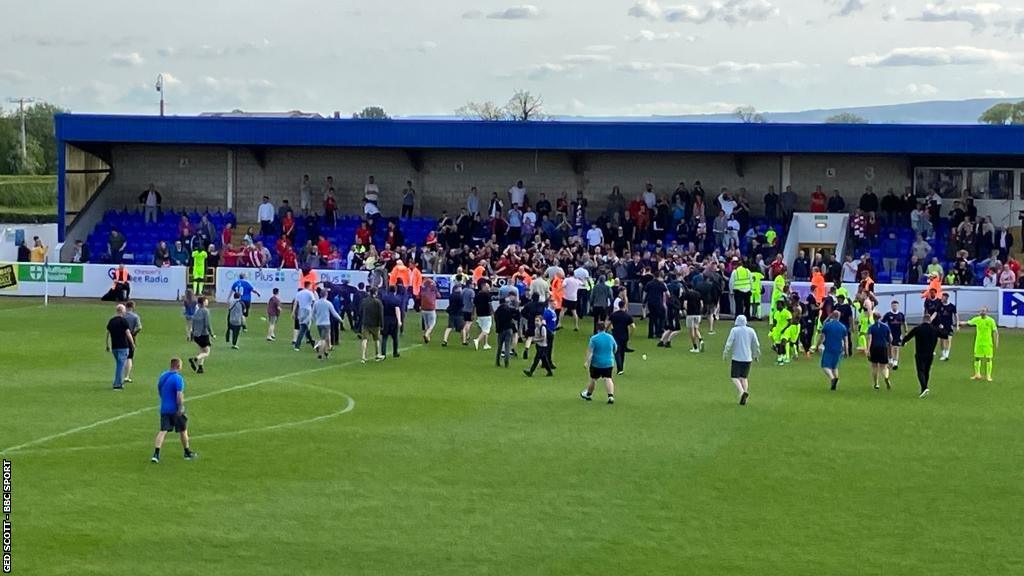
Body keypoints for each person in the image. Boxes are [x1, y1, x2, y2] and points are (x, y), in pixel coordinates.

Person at [151, 358, 196, 463]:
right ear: (178, 366)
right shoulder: (178, 378)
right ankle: (187, 452)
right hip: (175, 409)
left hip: (164, 408)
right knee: (183, 430)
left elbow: (159, 389)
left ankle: (156, 454)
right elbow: (179, 395)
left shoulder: (163, 376)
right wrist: (180, 407)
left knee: (163, 431)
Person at [722, 315, 760, 405]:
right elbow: (756, 344)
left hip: (737, 357)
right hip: (748, 358)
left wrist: (725, 352)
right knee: (744, 377)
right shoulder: (751, 330)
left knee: (734, 377)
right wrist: (756, 354)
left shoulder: (734, 330)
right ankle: (745, 394)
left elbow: (729, 342)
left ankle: (742, 391)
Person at [902, 315, 940, 398]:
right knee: (927, 371)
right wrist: (941, 327)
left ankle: (924, 387)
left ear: (923, 320)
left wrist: (903, 342)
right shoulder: (934, 329)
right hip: (930, 353)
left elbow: (908, 336)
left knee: (920, 371)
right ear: (930, 320)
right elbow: (945, 335)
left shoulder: (918, 328)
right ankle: (924, 388)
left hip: (920, 353)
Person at [581, 322, 618, 405]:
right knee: (608, 378)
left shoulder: (594, 338)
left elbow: (590, 351)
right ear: (605, 328)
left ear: (597, 328)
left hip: (596, 363)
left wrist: (587, 362)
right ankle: (610, 396)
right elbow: (615, 349)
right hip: (608, 362)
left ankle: (588, 394)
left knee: (593, 379)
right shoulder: (610, 337)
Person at [959, 307, 999, 382]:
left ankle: (988, 376)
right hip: (978, 342)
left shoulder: (990, 320)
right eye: (981, 311)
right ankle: (977, 374)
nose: (982, 312)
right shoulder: (977, 319)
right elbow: (968, 322)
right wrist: (960, 323)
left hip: (987, 343)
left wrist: (996, 341)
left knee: (988, 358)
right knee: (977, 357)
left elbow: (995, 331)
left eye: (983, 311)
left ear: (987, 312)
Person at [105, 304, 136, 390]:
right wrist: (132, 344)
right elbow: (128, 333)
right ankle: (117, 384)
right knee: (120, 365)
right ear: (122, 311)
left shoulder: (111, 321)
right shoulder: (123, 321)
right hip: (123, 346)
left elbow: (107, 334)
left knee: (119, 364)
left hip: (114, 347)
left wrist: (107, 345)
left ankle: (118, 382)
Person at [817, 311, 848, 391]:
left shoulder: (827, 326)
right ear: (839, 316)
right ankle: (835, 380)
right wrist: (846, 351)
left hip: (829, 347)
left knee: (825, 365)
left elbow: (822, 337)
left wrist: (817, 345)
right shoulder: (843, 327)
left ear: (832, 316)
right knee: (835, 366)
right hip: (838, 349)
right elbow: (845, 340)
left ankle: (832, 378)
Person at [313, 288, 343, 360]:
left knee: (323, 337)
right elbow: (334, 313)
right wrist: (340, 319)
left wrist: (315, 319)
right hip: (326, 323)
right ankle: (320, 354)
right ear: (326, 295)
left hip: (319, 323)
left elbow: (313, 313)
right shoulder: (328, 303)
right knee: (324, 339)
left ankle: (326, 352)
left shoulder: (316, 303)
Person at [866, 312, 893, 391]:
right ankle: (886, 377)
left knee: (874, 366)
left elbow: (870, 339)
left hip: (874, 348)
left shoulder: (871, 327)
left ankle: (876, 383)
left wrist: (868, 350)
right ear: (880, 317)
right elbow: (891, 338)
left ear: (873, 318)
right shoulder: (886, 327)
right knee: (884, 366)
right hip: (883, 347)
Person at [359, 288, 386, 363]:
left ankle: (363, 356)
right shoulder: (377, 302)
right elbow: (381, 314)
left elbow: (360, 311)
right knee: (376, 339)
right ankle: (377, 354)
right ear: (376, 293)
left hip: (365, 323)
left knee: (364, 339)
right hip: (375, 323)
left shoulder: (364, 301)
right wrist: (382, 324)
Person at [188, 297, 213, 374]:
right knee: (207, 352)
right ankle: (195, 359)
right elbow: (207, 323)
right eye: (206, 301)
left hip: (196, 335)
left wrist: (192, 333)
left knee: (201, 351)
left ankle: (200, 368)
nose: (207, 302)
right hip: (203, 334)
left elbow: (193, 323)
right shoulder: (206, 311)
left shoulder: (197, 311)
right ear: (204, 303)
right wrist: (211, 333)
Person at [381, 285, 404, 359]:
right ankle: (395, 352)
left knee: (384, 337)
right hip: (393, 319)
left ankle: (383, 353)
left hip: (385, 319)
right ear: (395, 290)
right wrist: (399, 320)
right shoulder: (396, 299)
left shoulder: (384, 298)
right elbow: (397, 310)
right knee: (395, 337)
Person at [882, 300, 906, 370]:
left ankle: (895, 362)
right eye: (893, 305)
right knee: (890, 346)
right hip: (890, 333)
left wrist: (906, 331)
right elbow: (883, 322)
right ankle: (890, 359)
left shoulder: (901, 315)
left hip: (898, 333)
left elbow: (904, 323)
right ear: (891, 306)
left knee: (897, 347)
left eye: (896, 305)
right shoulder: (888, 314)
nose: (894, 307)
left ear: (898, 306)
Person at [123, 301, 143, 383]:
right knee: (129, 357)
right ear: (133, 307)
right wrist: (134, 333)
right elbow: (139, 327)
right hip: (131, 336)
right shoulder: (135, 316)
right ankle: (126, 376)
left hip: (121, 337)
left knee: (122, 356)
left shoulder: (122, 316)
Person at [934, 293, 958, 361]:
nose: (942, 298)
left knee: (948, 340)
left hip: (949, 325)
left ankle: (947, 355)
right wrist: (930, 320)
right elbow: (935, 313)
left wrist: (957, 324)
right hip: (941, 325)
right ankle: (943, 353)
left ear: (946, 298)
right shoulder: (939, 305)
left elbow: (956, 315)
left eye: (943, 297)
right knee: (942, 340)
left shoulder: (952, 306)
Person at [493, 297, 516, 368]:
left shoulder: (497, 311)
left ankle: (497, 361)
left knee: (499, 346)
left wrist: (497, 330)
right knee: (507, 346)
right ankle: (506, 362)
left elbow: (496, 321)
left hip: (500, 330)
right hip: (508, 329)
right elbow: (516, 313)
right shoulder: (509, 309)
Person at [473, 281, 494, 350]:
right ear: (484, 287)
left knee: (483, 329)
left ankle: (486, 344)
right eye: (487, 287)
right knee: (486, 330)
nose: (488, 288)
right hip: (486, 314)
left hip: (479, 314)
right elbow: (490, 305)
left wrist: (473, 314)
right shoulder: (488, 295)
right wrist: (492, 313)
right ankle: (477, 340)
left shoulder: (477, 295)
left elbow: (474, 305)